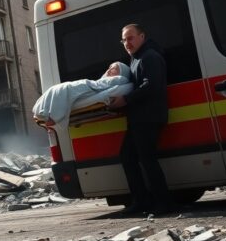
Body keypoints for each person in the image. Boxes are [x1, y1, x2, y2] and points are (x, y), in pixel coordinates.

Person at [109, 24, 170, 214]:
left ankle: (163, 203)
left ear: (142, 36)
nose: (127, 43)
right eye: (124, 39)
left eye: (130, 38)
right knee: (128, 156)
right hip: (140, 118)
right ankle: (143, 200)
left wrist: (125, 99)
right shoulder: (136, 58)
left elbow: (151, 86)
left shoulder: (149, 57)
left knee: (147, 159)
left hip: (148, 118)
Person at [33, 61, 132, 126]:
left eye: (114, 68)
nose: (109, 70)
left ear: (122, 73)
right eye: (109, 67)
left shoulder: (120, 79)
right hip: (91, 86)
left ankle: (53, 114)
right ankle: (51, 113)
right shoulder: (106, 81)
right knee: (64, 88)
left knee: (66, 89)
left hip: (91, 87)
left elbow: (98, 86)